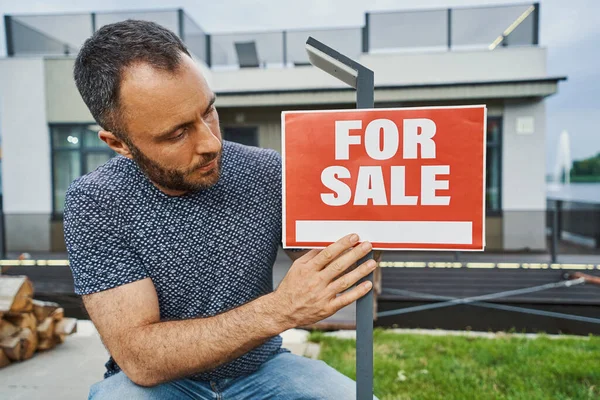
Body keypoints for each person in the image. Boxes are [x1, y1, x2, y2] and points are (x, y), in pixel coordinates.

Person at [65, 20, 379, 399]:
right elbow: (140, 358)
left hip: (263, 368)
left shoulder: (266, 170)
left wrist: (370, 213)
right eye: (177, 133)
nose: (211, 143)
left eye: (208, 111)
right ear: (119, 143)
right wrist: (279, 310)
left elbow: (331, 261)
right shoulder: (96, 201)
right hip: (159, 384)